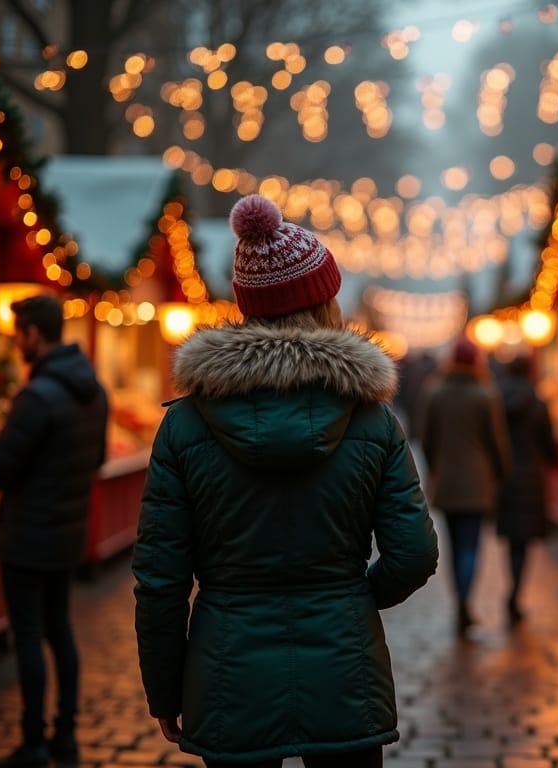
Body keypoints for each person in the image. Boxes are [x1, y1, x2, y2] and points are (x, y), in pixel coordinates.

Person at [132, 194, 439, 768]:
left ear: (245, 305)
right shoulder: (372, 420)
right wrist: (350, 600)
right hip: (343, 667)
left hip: (228, 669)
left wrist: (166, 687)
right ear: (326, 301)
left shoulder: (185, 425)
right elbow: (414, 552)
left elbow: (161, 579)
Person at [0, 294, 109, 768]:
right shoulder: (93, 391)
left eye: (19, 335)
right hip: (68, 535)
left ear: (33, 333)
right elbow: (96, 460)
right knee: (61, 630)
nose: (16, 344)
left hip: (27, 538)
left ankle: (33, 742)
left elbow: (0, 469)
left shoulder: (36, 397)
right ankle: (67, 735)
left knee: (29, 636)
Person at [420, 336, 510, 636]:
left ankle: (459, 600)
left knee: (454, 544)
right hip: (478, 482)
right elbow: (496, 441)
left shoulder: (436, 391)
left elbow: (427, 440)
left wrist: (436, 470)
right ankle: (464, 601)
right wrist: (501, 473)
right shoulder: (486, 393)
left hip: (447, 481)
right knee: (471, 545)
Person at [494, 355, 558, 625]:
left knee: (512, 540)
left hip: (506, 477)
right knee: (524, 542)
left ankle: (512, 587)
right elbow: (549, 444)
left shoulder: (497, 401)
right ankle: (516, 592)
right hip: (531, 477)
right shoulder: (537, 404)